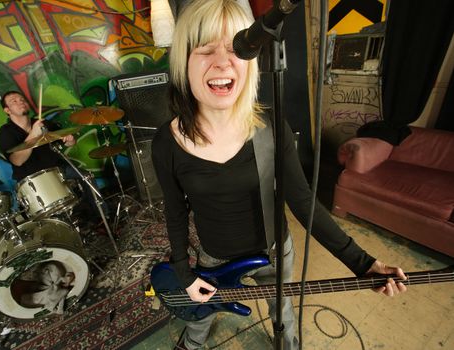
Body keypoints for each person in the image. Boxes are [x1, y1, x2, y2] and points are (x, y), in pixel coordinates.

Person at [151, 1, 407, 350]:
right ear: (183, 59)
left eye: (237, 47)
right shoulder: (167, 142)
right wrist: (183, 271)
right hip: (213, 256)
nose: (223, 61)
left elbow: (303, 202)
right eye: (206, 49)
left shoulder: (270, 128)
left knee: (282, 310)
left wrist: (362, 263)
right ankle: (193, 341)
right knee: (203, 309)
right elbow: (175, 210)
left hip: (273, 251)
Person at [0, 91, 106, 226]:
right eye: (14, 101)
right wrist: (33, 134)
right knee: (54, 215)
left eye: (22, 99)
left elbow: (69, 142)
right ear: (7, 110)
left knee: (86, 177)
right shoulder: (5, 132)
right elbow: (17, 161)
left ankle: (102, 217)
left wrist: (69, 140)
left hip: (58, 169)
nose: (20, 102)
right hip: (32, 178)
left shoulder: (43, 124)